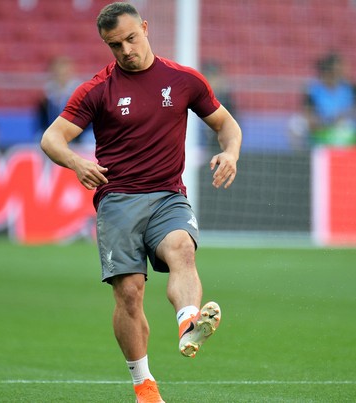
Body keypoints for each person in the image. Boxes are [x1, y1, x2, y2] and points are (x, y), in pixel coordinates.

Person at [40, 3, 242, 402]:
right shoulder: (97, 89)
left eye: (132, 38)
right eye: (115, 45)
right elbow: (51, 138)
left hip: (168, 195)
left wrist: (231, 152)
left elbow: (226, 125)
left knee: (182, 248)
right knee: (130, 293)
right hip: (118, 200)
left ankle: (188, 323)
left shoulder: (183, 80)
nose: (126, 50)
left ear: (146, 28)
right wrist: (77, 163)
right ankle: (144, 385)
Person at [36, 56, 84, 142]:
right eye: (57, 72)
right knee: (40, 138)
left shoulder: (80, 93)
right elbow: (42, 122)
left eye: (64, 72)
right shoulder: (46, 97)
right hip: (52, 133)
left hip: (77, 134)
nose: (61, 75)